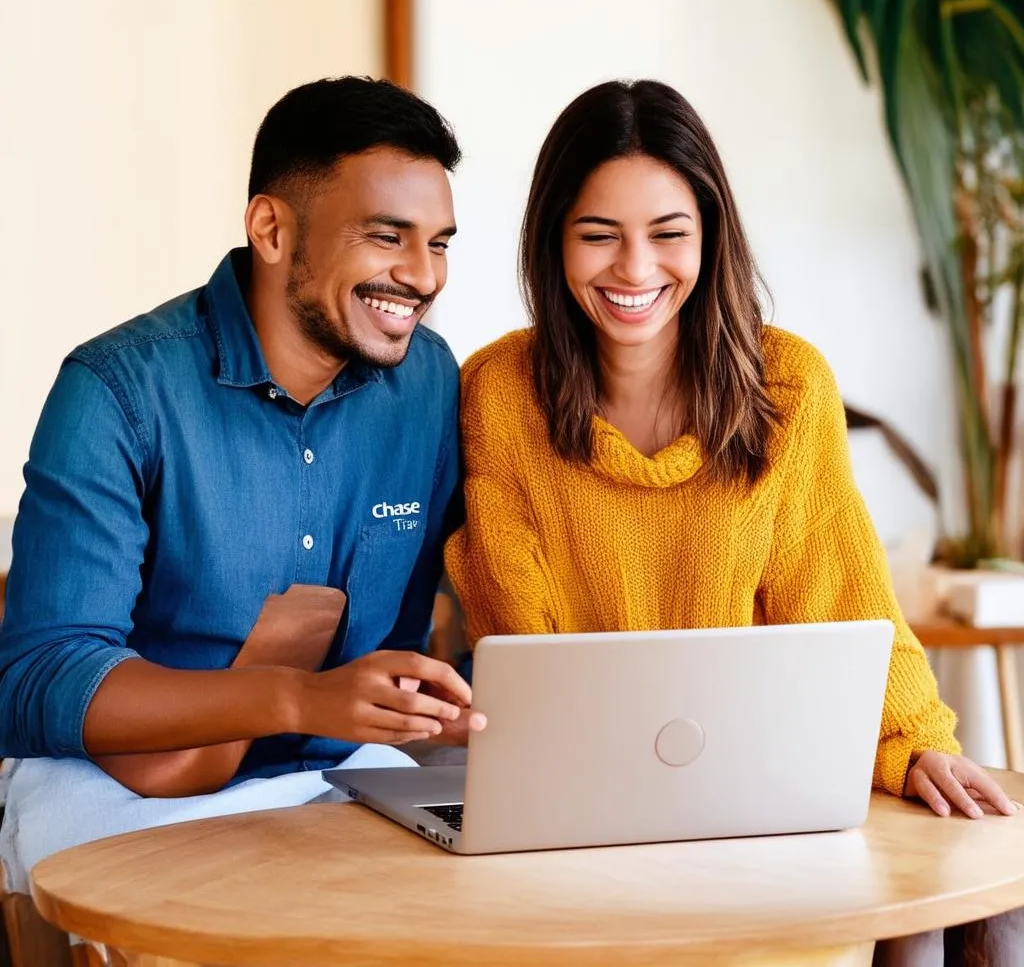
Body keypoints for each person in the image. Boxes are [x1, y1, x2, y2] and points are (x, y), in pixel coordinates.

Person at [444, 79, 1020, 965]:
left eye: (668, 234)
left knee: (960, 904)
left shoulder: (789, 388)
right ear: (552, 241)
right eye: (599, 236)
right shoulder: (499, 395)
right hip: (572, 828)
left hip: (757, 820)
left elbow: (845, 594)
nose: (635, 271)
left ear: (711, 236)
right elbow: (520, 644)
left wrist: (914, 742)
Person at [0, 75, 484, 897]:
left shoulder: (431, 384)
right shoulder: (117, 389)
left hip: (345, 779)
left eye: (438, 243)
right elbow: (40, 679)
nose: (422, 275)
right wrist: (296, 699)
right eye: (386, 236)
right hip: (117, 791)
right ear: (270, 228)